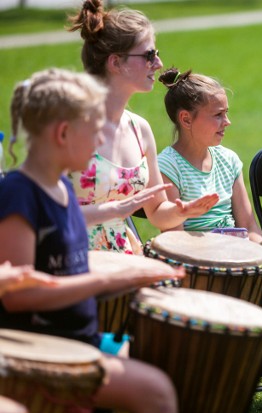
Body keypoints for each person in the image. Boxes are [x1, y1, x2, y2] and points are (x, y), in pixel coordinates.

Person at [0, 67, 182, 413]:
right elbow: (18, 297)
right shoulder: (19, 193)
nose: (101, 138)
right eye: (94, 128)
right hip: (39, 347)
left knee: (170, 362)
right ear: (63, 133)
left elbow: (63, 265)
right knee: (156, 393)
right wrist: (109, 281)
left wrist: (133, 268)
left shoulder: (62, 189)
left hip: (77, 339)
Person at [156, 67, 262, 391]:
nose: (228, 122)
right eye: (218, 115)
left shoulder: (229, 160)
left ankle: (258, 353)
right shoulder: (167, 165)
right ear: (186, 119)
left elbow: (248, 224)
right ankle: (248, 357)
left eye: (227, 113)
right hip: (197, 265)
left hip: (237, 258)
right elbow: (174, 236)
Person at [64, 0, 219, 255]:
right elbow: (46, 213)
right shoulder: (70, 126)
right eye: (149, 55)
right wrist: (113, 211)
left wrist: (181, 211)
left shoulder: (139, 129)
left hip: (125, 262)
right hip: (74, 260)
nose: (158, 64)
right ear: (115, 63)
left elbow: (157, 212)